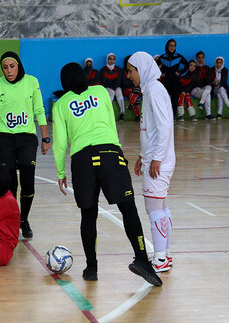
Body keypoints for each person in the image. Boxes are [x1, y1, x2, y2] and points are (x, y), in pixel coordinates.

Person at [52, 61, 162, 286]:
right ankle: (142, 259)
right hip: (110, 152)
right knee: (128, 209)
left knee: (88, 214)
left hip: (82, 159)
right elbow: (111, 123)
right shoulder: (101, 91)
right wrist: (118, 151)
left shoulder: (60, 104)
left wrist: (61, 172)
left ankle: (91, 268)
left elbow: (61, 143)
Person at [0, 51, 50, 239]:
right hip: (4, 138)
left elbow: (39, 110)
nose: (9, 71)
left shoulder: (32, 82)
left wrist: (45, 138)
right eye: (5, 67)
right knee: (9, 183)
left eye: (12, 66)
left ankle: (24, 219)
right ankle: (12, 219)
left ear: (18, 66)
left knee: (28, 181)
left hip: (27, 137)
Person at [127, 51, 176, 273]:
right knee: (161, 207)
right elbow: (152, 130)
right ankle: (164, 254)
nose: (129, 76)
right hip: (155, 157)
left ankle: (160, 258)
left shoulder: (155, 91)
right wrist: (142, 155)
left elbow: (165, 127)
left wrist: (156, 158)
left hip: (160, 160)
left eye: (131, 71)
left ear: (142, 69)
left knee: (153, 208)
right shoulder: (151, 91)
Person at [158, 39, 189, 116]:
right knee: (164, 100)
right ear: (167, 46)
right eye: (170, 45)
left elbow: (187, 66)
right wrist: (161, 73)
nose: (172, 47)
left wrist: (180, 73)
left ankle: (173, 117)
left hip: (175, 82)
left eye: (174, 45)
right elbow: (155, 67)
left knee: (174, 101)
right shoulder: (162, 57)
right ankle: (164, 116)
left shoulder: (179, 57)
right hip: (165, 82)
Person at [99, 53, 126, 120]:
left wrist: (114, 88)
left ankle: (122, 112)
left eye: (113, 59)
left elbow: (119, 80)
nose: (112, 61)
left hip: (116, 87)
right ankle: (108, 111)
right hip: (107, 87)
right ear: (107, 60)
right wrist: (111, 88)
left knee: (119, 92)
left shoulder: (118, 69)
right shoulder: (103, 70)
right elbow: (103, 82)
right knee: (111, 92)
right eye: (110, 59)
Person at [193, 51, 214, 120]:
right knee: (208, 94)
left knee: (209, 88)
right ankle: (208, 114)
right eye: (199, 58)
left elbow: (208, 80)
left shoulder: (207, 68)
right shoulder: (194, 67)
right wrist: (199, 68)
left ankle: (201, 103)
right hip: (195, 89)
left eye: (202, 58)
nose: (200, 59)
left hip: (204, 89)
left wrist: (204, 67)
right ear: (196, 59)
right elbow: (196, 80)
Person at [120, 55, 142, 121]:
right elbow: (124, 82)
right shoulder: (123, 71)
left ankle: (131, 104)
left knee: (136, 91)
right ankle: (137, 115)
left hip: (135, 88)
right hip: (127, 89)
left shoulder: (137, 70)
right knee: (136, 95)